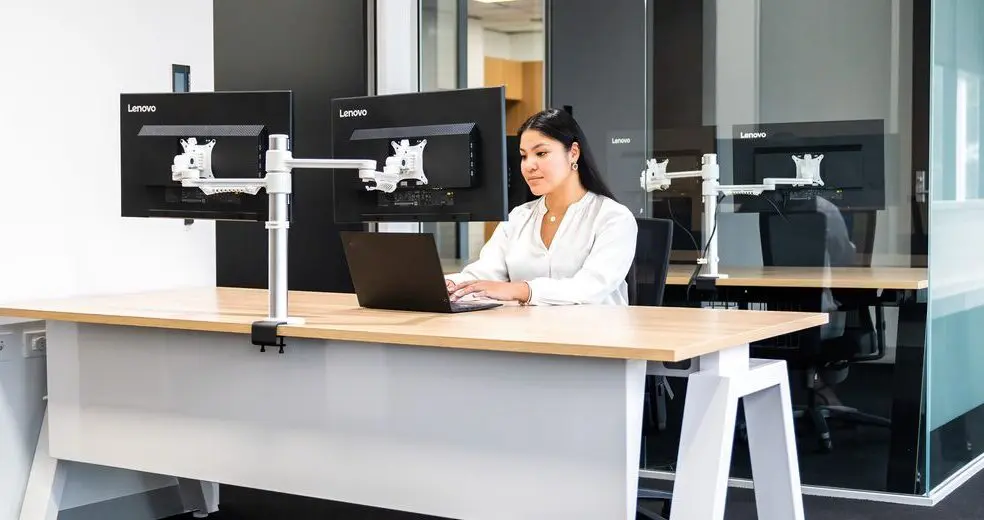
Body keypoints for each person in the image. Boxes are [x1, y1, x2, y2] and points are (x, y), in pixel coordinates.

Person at [444, 108, 638, 306]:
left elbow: (589, 287)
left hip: (594, 333)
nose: (529, 165)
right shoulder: (518, 217)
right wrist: (451, 284)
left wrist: (520, 290)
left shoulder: (613, 217)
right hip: (531, 333)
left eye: (541, 153)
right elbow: (485, 271)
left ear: (573, 153)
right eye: (524, 156)